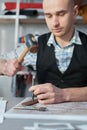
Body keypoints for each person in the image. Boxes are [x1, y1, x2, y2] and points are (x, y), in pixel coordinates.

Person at [0, 0, 87, 104]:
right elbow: (2, 60)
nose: (55, 23)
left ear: (75, 12)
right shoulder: (36, 45)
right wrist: (5, 66)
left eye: (61, 14)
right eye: (49, 16)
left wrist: (64, 94)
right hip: (44, 116)